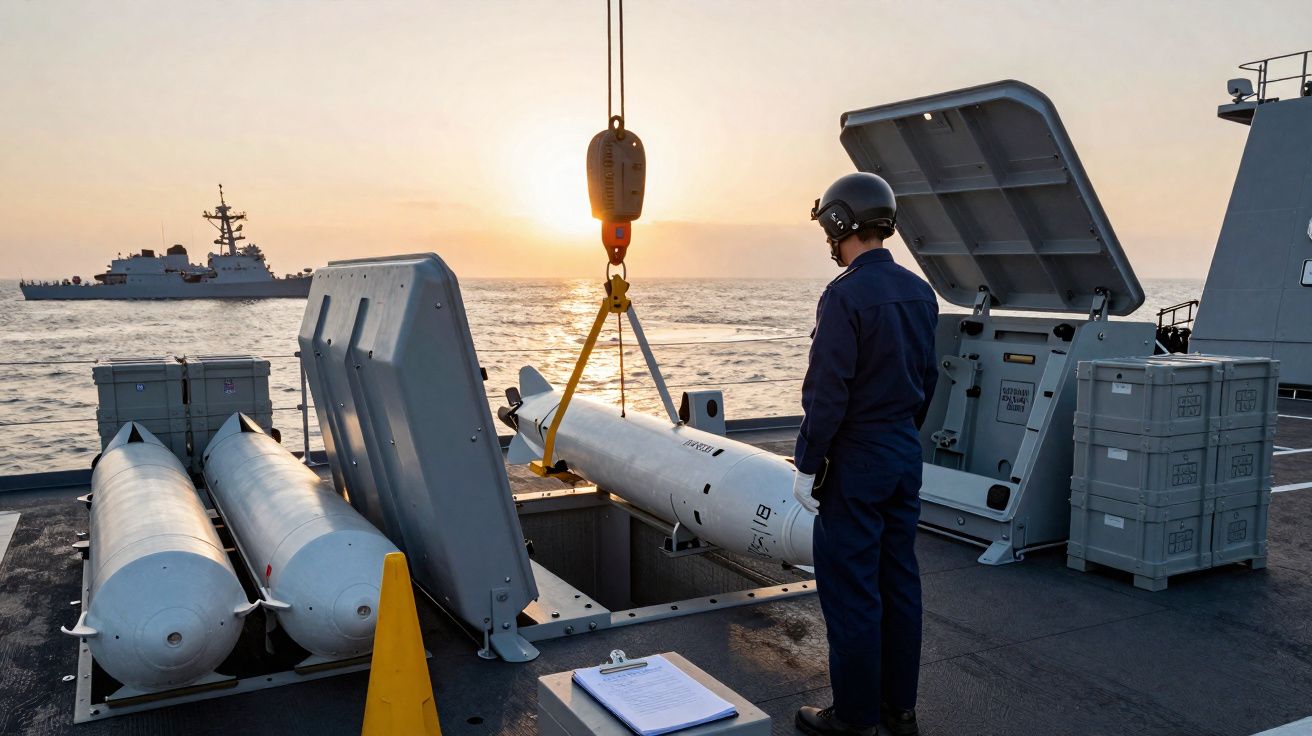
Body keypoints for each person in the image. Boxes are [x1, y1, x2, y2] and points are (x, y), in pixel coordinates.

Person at [793, 172, 939, 736]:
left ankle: (853, 719)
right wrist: (900, 434)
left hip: (857, 461)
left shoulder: (844, 295)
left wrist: (808, 463)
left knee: (853, 590)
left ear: (839, 222)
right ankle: (898, 712)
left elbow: (827, 393)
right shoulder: (920, 291)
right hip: (903, 451)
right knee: (899, 583)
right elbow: (926, 379)